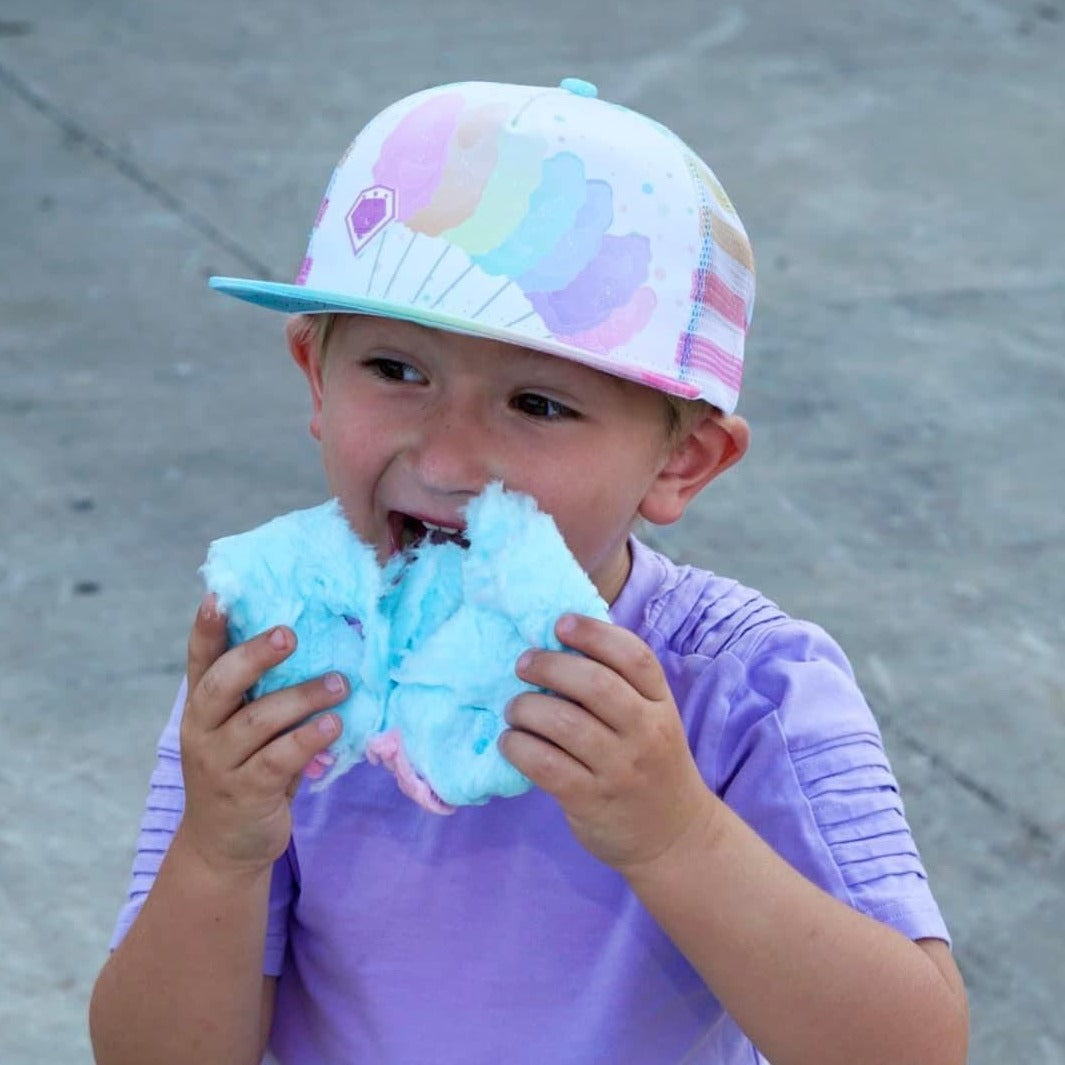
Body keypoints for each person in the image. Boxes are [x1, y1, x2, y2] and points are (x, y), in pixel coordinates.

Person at [89, 78, 968, 1065]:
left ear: (681, 462)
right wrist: (221, 847)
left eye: (539, 405)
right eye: (395, 370)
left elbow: (913, 1047)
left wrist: (672, 832)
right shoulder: (280, 676)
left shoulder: (749, 688)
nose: (450, 457)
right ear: (314, 379)